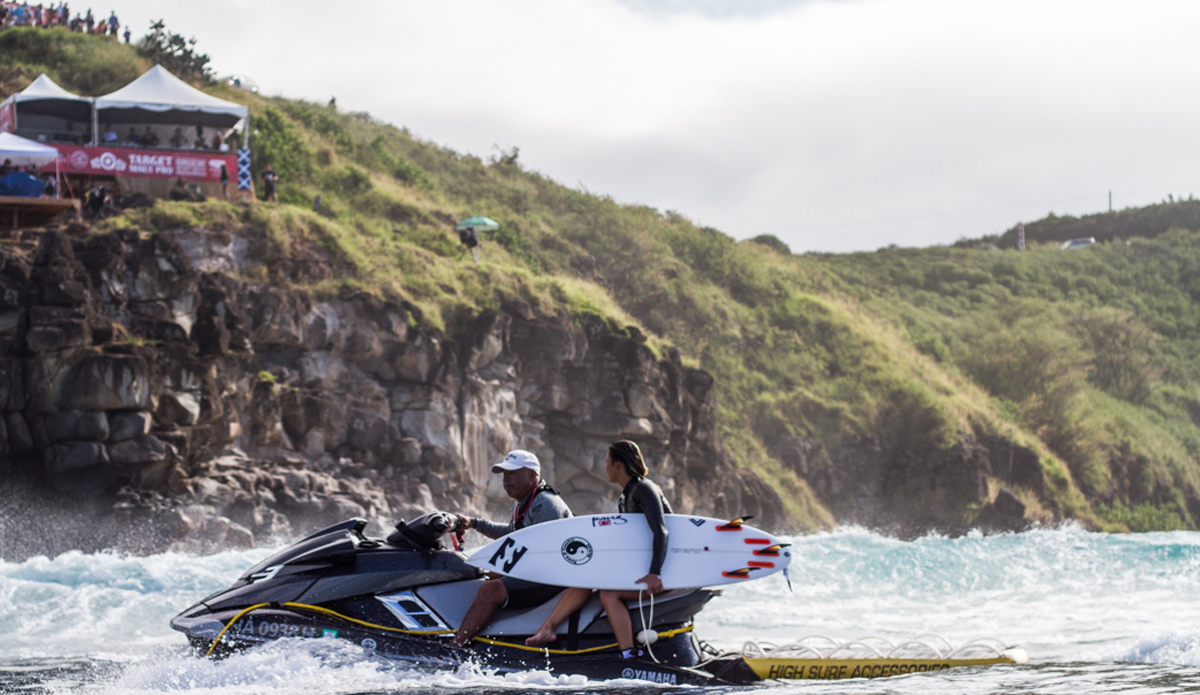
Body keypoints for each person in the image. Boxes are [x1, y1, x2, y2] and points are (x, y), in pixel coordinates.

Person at [526, 440, 672, 659]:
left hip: (664, 573)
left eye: (607, 461)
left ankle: (629, 654)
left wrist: (654, 573)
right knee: (588, 576)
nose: (605, 467)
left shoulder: (644, 488)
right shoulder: (625, 496)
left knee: (608, 594)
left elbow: (662, 531)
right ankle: (548, 627)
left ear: (618, 464)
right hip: (642, 567)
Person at [449, 450, 572, 648]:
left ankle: (456, 647)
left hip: (553, 578)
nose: (506, 479)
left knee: (490, 589)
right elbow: (510, 533)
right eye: (504, 474)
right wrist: (473, 523)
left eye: (513, 473)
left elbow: (543, 554)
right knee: (479, 576)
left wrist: (498, 571)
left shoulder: (547, 504)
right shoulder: (525, 502)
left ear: (532, 475)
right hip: (539, 572)